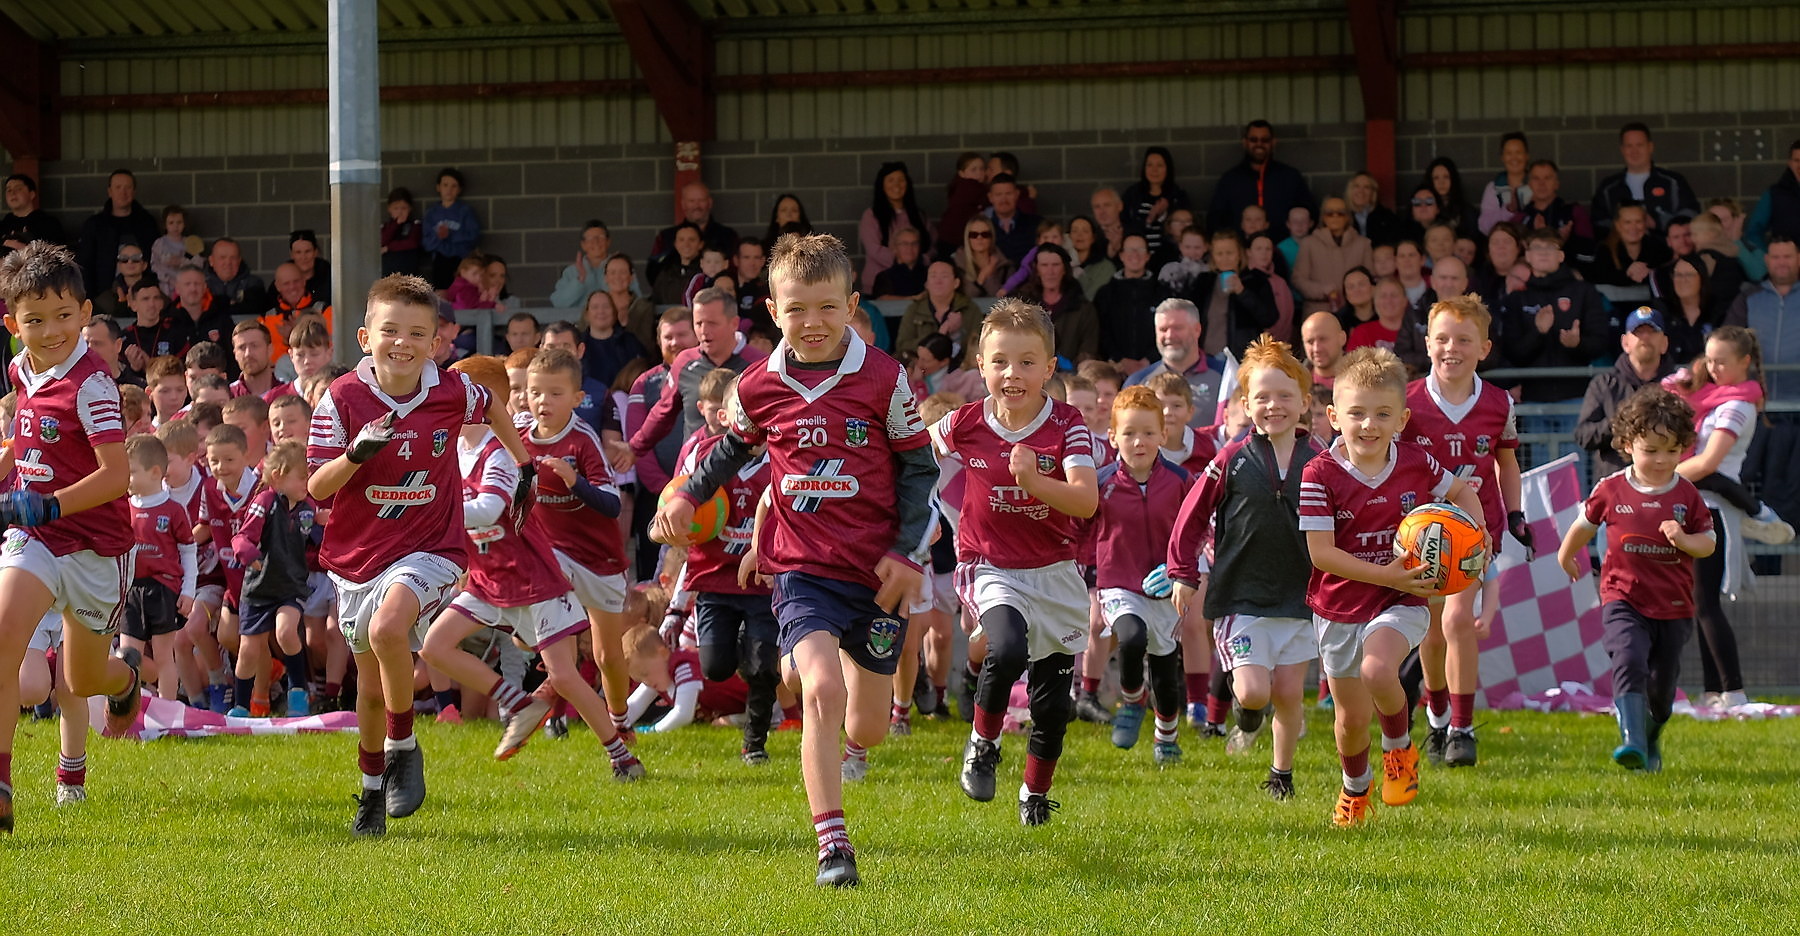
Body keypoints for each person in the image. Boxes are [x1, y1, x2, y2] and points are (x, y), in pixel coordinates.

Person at [650, 233, 938, 888]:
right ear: (773, 310)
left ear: (852, 306)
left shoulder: (885, 378)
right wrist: (687, 494)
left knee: (867, 725)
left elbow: (920, 470)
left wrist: (905, 553)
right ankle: (832, 845)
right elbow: (731, 449)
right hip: (801, 566)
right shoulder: (757, 385)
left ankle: (802, 665)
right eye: (797, 308)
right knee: (824, 690)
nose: (812, 322)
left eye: (827, 307)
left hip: (877, 571)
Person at [305, 273, 532, 836]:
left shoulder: (451, 390)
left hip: (432, 548)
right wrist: (356, 455)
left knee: (388, 629)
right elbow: (316, 487)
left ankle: (404, 745)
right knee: (368, 687)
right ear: (365, 337)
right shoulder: (341, 399)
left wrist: (524, 464)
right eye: (390, 330)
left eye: (416, 333)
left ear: (435, 343)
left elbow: (492, 405)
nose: (402, 343)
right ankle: (370, 794)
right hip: (358, 557)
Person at [1298, 345, 1484, 827]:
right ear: (1333, 417)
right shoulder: (1318, 474)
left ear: (1401, 419)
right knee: (1350, 719)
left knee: (1380, 670)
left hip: (1402, 597)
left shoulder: (1416, 462)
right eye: (1356, 413)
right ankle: (1355, 788)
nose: (1369, 424)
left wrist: (1475, 536)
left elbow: (1462, 491)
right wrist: (1385, 571)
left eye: (1382, 414)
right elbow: (1321, 555)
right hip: (1339, 605)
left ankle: (1399, 749)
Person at [929, 298, 1096, 825]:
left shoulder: (1067, 424)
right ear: (980, 365)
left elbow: (1085, 500)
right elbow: (910, 455)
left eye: (1026, 362)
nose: (1012, 374)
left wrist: (1033, 481)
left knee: (1052, 705)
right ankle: (983, 745)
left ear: (1049, 368)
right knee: (1004, 646)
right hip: (990, 564)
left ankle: (1035, 794)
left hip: (1055, 571)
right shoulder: (963, 423)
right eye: (999, 361)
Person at [0, 242, 143, 831]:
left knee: (81, 679)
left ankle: (125, 679)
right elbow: (25, 438)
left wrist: (51, 502)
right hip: (34, 537)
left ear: (85, 313)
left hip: (96, 550)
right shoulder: (20, 369)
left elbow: (117, 475)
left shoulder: (93, 385)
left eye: (63, 315)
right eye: (34, 319)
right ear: (13, 325)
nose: (51, 330)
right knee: (4, 637)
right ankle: (2, 780)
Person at [1169, 336, 1320, 796]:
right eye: (1262, 397)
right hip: (1241, 596)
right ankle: (1247, 715)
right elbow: (1192, 513)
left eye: (1284, 396)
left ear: (1304, 402)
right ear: (1246, 404)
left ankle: (1281, 775)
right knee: (1255, 691)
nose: (1274, 406)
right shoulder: (1231, 458)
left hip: (1300, 597)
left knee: (1289, 694)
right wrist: (1182, 572)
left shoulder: (1321, 461)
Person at [1557, 387, 1713, 772]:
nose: (1661, 460)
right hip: (1622, 597)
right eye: (1651, 450)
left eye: (1672, 451)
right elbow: (1583, 525)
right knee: (1627, 658)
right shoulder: (1611, 489)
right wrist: (1565, 554)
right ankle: (1632, 741)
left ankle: (1650, 736)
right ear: (1628, 445)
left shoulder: (1687, 494)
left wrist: (1684, 539)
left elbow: (1708, 543)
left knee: (1661, 689)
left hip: (1674, 606)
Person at [1404, 295, 1527, 768]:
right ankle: (1436, 716)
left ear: (1484, 348)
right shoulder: (1406, 402)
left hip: (1477, 527)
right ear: (1427, 343)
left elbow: (1507, 461)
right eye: (1442, 338)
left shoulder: (1499, 402)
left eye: (1463, 340)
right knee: (1431, 630)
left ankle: (1462, 728)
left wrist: (1514, 514)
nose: (1451, 348)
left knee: (1458, 620)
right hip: (1421, 532)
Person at [519, 347, 638, 737]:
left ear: (577, 398)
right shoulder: (518, 438)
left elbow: (611, 504)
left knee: (607, 656)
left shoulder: (583, 440)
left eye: (555, 393)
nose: (543, 401)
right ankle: (555, 716)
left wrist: (575, 482)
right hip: (553, 553)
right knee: (557, 632)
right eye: (536, 392)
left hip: (599, 559)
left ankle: (619, 719)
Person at [665, 368, 780, 762]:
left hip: (764, 581)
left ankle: (755, 744)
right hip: (713, 577)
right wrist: (668, 529)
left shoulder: (782, 457)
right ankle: (746, 649)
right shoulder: (702, 454)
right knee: (715, 667)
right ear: (726, 416)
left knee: (763, 668)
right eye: (744, 411)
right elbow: (675, 505)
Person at [1075, 385, 1192, 763]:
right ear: (1112, 437)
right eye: (1128, 433)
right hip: (1117, 585)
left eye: (1147, 432)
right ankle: (1131, 698)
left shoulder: (1180, 481)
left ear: (1163, 434)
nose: (1138, 441)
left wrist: (1179, 572)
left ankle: (1166, 738)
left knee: (1165, 672)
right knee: (1130, 635)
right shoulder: (1101, 482)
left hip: (1166, 591)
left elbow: (1196, 531)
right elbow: (1078, 529)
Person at [1669, 328, 1771, 712]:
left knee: (1705, 603)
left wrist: (1655, 476)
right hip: (1696, 502)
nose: (1713, 368)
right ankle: (1716, 690)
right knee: (1701, 602)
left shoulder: (1738, 406)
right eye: (1709, 359)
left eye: (1722, 362)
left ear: (1745, 362)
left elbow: (1709, 463)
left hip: (1711, 509)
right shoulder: (1712, 397)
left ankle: (1733, 690)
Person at [227, 439, 316, 719]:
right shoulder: (264, 502)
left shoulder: (307, 507)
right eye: (302, 477)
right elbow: (241, 537)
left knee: (286, 632)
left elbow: (318, 538)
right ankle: (241, 706)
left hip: (291, 586)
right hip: (259, 588)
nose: (307, 483)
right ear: (278, 477)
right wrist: (248, 553)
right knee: (248, 651)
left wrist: (326, 523)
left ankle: (298, 694)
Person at [629, 288, 765, 462]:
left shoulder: (760, 365)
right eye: (698, 323)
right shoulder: (684, 361)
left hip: (747, 470)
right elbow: (663, 412)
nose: (704, 330)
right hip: (695, 468)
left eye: (712, 323)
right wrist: (633, 449)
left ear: (734, 323)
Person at [625, 308, 699, 580]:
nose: (675, 342)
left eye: (682, 334)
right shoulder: (644, 383)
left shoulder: (713, 375)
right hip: (657, 497)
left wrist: (695, 489)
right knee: (655, 580)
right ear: (658, 341)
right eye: (668, 337)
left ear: (697, 334)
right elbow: (637, 443)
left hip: (709, 492)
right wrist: (669, 491)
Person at [123, 434, 197, 700]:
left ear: (155, 472)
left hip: (163, 589)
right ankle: (129, 708)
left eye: (131, 472)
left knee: (164, 656)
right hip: (131, 590)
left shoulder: (173, 510)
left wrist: (188, 591)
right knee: (128, 655)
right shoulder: (123, 508)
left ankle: (168, 710)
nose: (126, 478)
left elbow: (188, 551)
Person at [1500, 230, 1610, 402]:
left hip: (1577, 397)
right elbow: (1511, 352)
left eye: (1550, 247)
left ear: (1561, 256)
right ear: (1528, 256)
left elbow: (1601, 342)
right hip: (1533, 399)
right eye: (1537, 247)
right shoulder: (1517, 299)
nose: (1543, 252)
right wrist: (1538, 333)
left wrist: (1577, 344)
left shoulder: (1584, 292)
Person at [1576, 306, 1675, 480]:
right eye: (1638, 332)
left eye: (1652, 332)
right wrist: (1623, 421)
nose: (1645, 337)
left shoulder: (1678, 384)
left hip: (1666, 481)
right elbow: (1584, 436)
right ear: (1625, 343)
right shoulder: (1604, 384)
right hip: (1616, 483)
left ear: (1664, 343)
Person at [1208, 120, 1314, 239]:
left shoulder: (1290, 177)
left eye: (1265, 140)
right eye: (1253, 140)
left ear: (1273, 142)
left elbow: (1310, 214)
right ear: (1245, 142)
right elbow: (1215, 220)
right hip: (1241, 248)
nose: (1259, 144)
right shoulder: (1230, 180)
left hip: (1283, 247)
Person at [1592, 123, 1701, 237]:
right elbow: (1598, 224)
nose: (1634, 151)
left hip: (1664, 247)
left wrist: (1657, 222)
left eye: (1639, 145)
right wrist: (1625, 227)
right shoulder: (1608, 188)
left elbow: (1691, 215)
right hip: (1622, 248)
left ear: (1650, 147)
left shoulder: (1673, 182)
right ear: (1622, 150)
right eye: (1629, 146)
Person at [1724, 234, 1799, 400]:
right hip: (1755, 402)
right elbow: (1728, 341)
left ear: (1798, 259)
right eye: (1776, 257)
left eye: (1787, 257)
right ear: (1767, 260)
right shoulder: (1748, 297)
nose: (1781, 262)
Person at [1124, 298, 1223, 423]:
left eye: (1178, 328)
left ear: (1197, 330)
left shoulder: (1225, 376)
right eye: (1163, 329)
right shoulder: (1138, 383)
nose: (1170, 335)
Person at [1191, 230, 1278, 360]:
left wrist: (1242, 292)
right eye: (1219, 254)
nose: (1225, 258)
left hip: (1243, 358)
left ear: (1240, 254)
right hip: (1206, 356)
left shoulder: (1256, 280)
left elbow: (1269, 318)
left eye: (1229, 253)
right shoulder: (1204, 282)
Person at [75, 169, 160, 299]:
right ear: (110, 191)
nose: (123, 192)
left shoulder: (147, 223)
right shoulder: (95, 225)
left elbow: (157, 261)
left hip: (144, 297)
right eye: (118, 187)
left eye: (127, 187)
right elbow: (85, 265)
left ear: (134, 191)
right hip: (104, 297)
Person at [1094, 234, 1170, 369]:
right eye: (1130, 250)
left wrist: (1149, 359)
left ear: (1148, 256)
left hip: (1155, 367)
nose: (1135, 254)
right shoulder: (1105, 293)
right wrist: (1120, 359)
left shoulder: (1163, 293)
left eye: (1140, 250)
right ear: (1121, 255)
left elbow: (1169, 329)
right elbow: (1100, 331)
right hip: (1114, 368)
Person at [1013, 244, 1098, 364]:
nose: (1050, 271)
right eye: (1044, 265)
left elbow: (1088, 349)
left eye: (1056, 265)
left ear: (1064, 269)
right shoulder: (1022, 305)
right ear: (1037, 270)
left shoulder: (1083, 307)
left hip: (1072, 373)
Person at [1294, 196, 1373, 316]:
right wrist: (1322, 290)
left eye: (1340, 213)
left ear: (1347, 216)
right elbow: (1298, 280)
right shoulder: (1309, 243)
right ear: (1323, 217)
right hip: (1318, 313)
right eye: (1330, 213)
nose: (1335, 217)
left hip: (1356, 313)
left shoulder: (1363, 244)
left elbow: (1370, 279)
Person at [1393, 256, 1472, 376]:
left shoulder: (1477, 315)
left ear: (1465, 283)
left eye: (1454, 278)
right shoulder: (1415, 312)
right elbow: (1401, 354)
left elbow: (1491, 355)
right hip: (1422, 381)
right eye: (1443, 278)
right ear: (1433, 282)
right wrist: (1441, 358)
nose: (1448, 284)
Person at [859, 163, 931, 294]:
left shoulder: (918, 215)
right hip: (881, 286)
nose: (896, 185)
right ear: (882, 185)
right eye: (891, 180)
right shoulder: (871, 216)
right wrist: (905, 263)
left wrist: (921, 261)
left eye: (901, 180)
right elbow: (874, 249)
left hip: (917, 283)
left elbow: (932, 245)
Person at [1584, 204, 1671, 304]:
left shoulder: (1658, 248)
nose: (1633, 227)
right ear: (1617, 225)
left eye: (1638, 221)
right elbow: (1599, 277)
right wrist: (1628, 274)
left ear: (1645, 223)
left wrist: (1651, 273)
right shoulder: (1603, 250)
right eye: (1627, 222)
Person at [651, 183, 740, 279]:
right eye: (691, 201)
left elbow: (737, 269)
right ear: (683, 204)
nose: (696, 206)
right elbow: (653, 271)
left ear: (710, 203)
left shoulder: (728, 236)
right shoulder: (666, 237)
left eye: (701, 200)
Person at [895, 260, 980, 360]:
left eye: (944, 276)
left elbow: (978, 346)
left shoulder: (970, 309)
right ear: (926, 284)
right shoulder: (914, 309)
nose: (938, 281)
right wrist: (938, 336)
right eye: (933, 276)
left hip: (961, 365)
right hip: (922, 366)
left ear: (956, 283)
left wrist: (957, 334)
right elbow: (902, 346)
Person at [1516, 159, 1597, 264]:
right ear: (1529, 184)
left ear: (1557, 184)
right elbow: (1512, 259)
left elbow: (1590, 257)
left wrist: (1564, 243)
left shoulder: (1574, 213)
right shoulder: (1519, 218)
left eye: (1547, 178)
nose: (1541, 183)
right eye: (1536, 178)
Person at [1122, 147, 1191, 261]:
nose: (1154, 170)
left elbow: (1186, 231)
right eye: (1149, 165)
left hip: (1171, 259)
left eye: (1159, 165)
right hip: (1139, 258)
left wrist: (1164, 216)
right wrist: (1150, 218)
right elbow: (1126, 226)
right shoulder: (1133, 194)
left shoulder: (1178, 196)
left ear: (1167, 169)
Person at [261, 263, 334, 361]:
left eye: (296, 281)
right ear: (277, 286)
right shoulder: (265, 319)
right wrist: (288, 341)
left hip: (315, 367)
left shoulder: (324, 311)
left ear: (304, 281)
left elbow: (332, 346)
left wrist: (296, 334)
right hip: (278, 369)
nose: (292, 287)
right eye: (286, 283)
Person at [421, 169, 480, 289]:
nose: (449, 189)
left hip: (461, 259)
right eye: (445, 185)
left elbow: (474, 236)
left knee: (462, 292)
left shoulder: (465, 211)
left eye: (454, 186)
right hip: (440, 260)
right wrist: (438, 237)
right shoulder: (431, 213)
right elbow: (426, 243)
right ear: (438, 187)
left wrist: (451, 235)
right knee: (442, 294)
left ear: (459, 189)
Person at [549, 220, 617, 311]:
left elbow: (633, 300)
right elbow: (558, 302)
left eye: (600, 237)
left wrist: (614, 271)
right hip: (578, 319)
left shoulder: (621, 268)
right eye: (590, 238)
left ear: (608, 241)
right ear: (583, 245)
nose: (596, 241)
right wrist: (580, 280)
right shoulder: (571, 271)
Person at [1746, 138, 1800, 250]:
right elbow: (1753, 232)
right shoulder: (1774, 194)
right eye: (1797, 160)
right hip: (1785, 259)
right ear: (1790, 163)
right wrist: (1770, 256)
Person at [936, 153, 990, 259]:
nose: (979, 173)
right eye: (973, 170)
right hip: (955, 240)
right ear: (962, 173)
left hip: (948, 238)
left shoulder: (958, 187)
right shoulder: (971, 187)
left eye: (982, 169)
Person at [0, 173, 65, 258]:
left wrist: (27, 251)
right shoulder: (3, 225)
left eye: (18, 189)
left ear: (31, 194)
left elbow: (59, 257)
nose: (12, 193)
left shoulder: (49, 224)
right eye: (9, 190)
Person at [201, 237, 265, 320]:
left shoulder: (254, 283)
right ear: (211, 261)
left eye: (233, 258)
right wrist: (232, 304)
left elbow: (254, 309)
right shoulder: (200, 285)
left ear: (239, 260)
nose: (228, 262)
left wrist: (218, 304)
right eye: (222, 257)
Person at [984, 174, 1039, 265]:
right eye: (998, 195)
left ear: (1017, 194)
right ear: (990, 197)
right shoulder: (982, 229)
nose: (1004, 199)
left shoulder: (1036, 224)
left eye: (1008, 194)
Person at [1347, 278, 1409, 353]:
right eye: (1383, 296)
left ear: (1405, 301)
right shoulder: (1362, 333)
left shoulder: (1416, 333)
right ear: (1375, 302)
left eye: (1394, 295)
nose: (1388, 301)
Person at [1345, 172, 1403, 248]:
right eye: (1356, 186)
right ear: (1350, 190)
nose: (1361, 191)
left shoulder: (1387, 218)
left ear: (1373, 192)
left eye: (1366, 187)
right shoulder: (1341, 216)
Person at [870, 228, 930, 300]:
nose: (910, 248)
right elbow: (882, 299)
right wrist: (913, 299)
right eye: (905, 244)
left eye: (914, 243)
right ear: (894, 248)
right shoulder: (885, 276)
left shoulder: (930, 274)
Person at [379, 187, 422, 278]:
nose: (400, 212)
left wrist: (389, 248)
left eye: (404, 208)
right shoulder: (386, 226)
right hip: (389, 273)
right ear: (389, 209)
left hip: (408, 272)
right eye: (396, 208)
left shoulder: (415, 224)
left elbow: (412, 243)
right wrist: (396, 224)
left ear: (410, 208)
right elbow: (383, 241)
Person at [1301, 310, 1348, 389]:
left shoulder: (1365, 383)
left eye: (1323, 339)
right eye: (1310, 342)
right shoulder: (1293, 384)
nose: (1316, 349)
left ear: (1342, 338)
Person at [288, 230, 332, 305]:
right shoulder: (283, 281)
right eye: (298, 252)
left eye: (307, 251)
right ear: (292, 255)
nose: (303, 257)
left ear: (315, 252)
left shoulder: (330, 280)